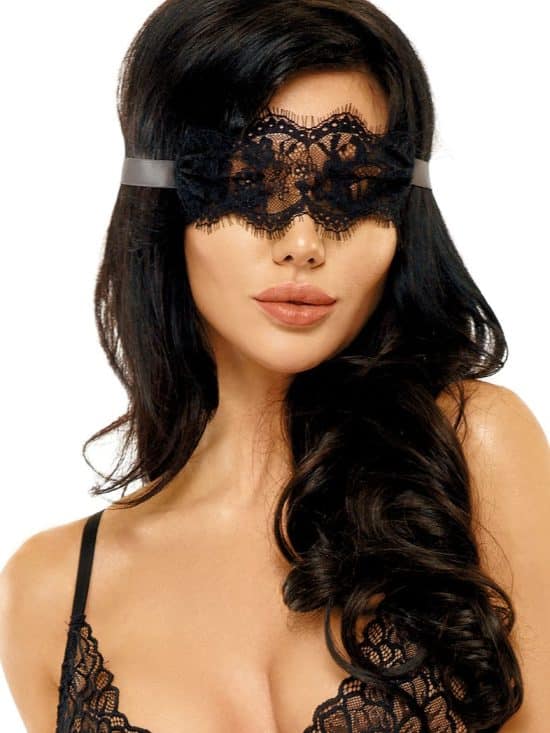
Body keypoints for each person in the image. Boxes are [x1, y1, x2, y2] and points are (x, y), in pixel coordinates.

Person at [1, 1, 549, 731]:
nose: (303, 242)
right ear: (164, 201)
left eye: (353, 188)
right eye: (250, 182)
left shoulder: (473, 446)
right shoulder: (50, 593)